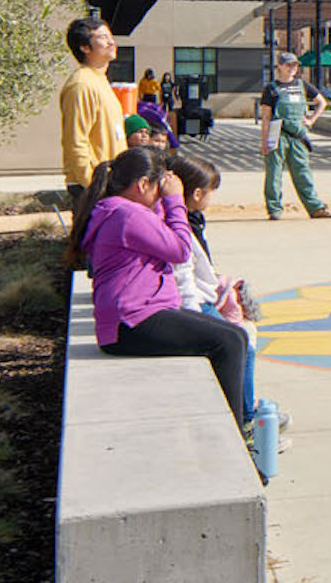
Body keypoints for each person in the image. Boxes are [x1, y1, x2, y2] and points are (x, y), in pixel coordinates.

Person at [71, 147, 251, 426]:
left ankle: (238, 425)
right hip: (131, 324)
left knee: (235, 336)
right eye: (157, 188)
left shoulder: (121, 211)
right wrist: (176, 199)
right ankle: (237, 432)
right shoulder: (127, 215)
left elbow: (164, 233)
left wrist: (165, 198)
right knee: (228, 343)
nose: (160, 194)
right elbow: (180, 249)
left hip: (134, 318)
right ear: (143, 184)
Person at [169, 156, 282, 442]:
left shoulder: (189, 219)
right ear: (196, 194)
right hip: (194, 306)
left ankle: (245, 409)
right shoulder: (180, 225)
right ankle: (244, 419)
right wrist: (195, 316)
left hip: (202, 299)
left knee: (244, 336)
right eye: (211, 191)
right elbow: (183, 276)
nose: (212, 197)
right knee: (241, 342)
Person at [259, 51, 331, 221]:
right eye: (288, 64)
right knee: (274, 174)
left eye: (294, 65)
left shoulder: (302, 85)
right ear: (279, 66)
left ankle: (315, 208)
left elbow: (321, 102)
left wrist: (311, 120)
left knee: (303, 172)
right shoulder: (271, 89)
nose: (292, 68)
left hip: (298, 135)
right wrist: (264, 141)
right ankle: (274, 209)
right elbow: (266, 116)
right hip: (277, 133)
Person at [58, 16, 126, 208]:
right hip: (92, 186)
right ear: (85, 47)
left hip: (109, 182)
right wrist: (93, 185)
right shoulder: (81, 84)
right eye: (103, 37)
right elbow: (75, 140)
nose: (111, 42)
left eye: (110, 36)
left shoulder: (100, 81)